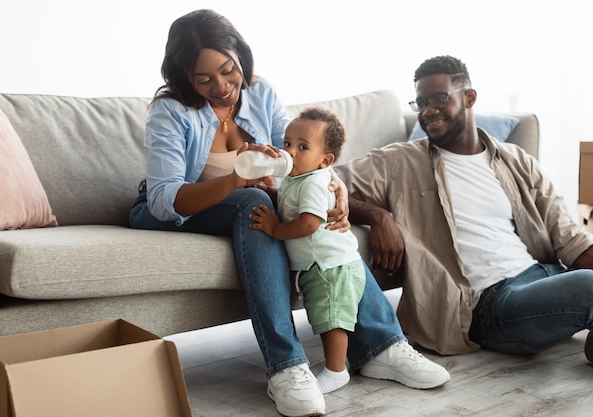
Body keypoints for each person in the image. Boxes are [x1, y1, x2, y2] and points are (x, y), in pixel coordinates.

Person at [129, 10, 450, 417]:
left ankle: (384, 347)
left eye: (229, 71)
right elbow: (162, 198)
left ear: (240, 56)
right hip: (176, 210)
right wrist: (234, 181)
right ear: (183, 75)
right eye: (203, 79)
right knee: (255, 202)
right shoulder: (170, 111)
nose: (223, 87)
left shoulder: (260, 93)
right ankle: (287, 366)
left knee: (315, 220)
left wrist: (335, 188)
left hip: (244, 203)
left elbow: (305, 157)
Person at [335, 54, 593, 376]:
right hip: (491, 306)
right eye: (420, 103)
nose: (428, 111)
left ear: (469, 97)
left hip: (544, 276)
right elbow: (324, 182)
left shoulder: (516, 160)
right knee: (592, 286)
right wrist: (377, 215)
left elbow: (567, 233)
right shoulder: (398, 161)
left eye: (439, 99)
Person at [250, 107, 366, 394]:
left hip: (329, 266)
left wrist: (275, 229)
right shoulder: (297, 178)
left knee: (332, 321)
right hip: (323, 264)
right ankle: (336, 366)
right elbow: (294, 206)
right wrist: (272, 191)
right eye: (287, 143)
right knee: (325, 316)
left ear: (325, 160)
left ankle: (336, 371)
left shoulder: (315, 181)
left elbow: (309, 222)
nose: (290, 151)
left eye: (303, 147)